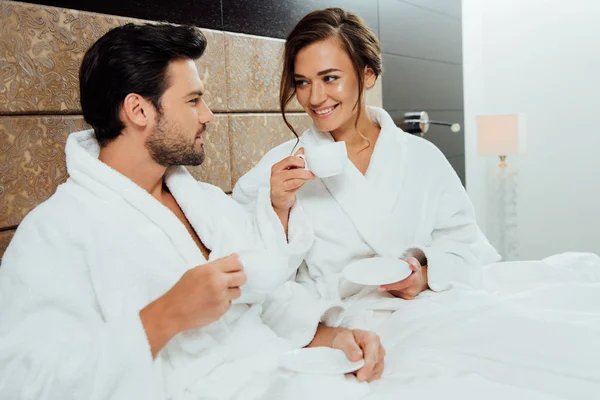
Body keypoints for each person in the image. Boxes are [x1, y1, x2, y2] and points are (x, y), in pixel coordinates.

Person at [0, 23, 385, 400]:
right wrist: (165, 316)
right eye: (193, 100)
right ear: (138, 110)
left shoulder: (204, 202)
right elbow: (25, 383)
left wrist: (334, 339)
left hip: (278, 374)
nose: (208, 115)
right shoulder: (55, 232)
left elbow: (263, 299)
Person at [233, 9, 600, 399]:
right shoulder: (277, 172)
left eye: (330, 78)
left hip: (437, 300)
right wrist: (278, 207)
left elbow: (465, 246)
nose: (315, 97)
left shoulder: (420, 156)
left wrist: (424, 274)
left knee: (556, 342)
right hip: (360, 323)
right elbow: (253, 281)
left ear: (368, 75)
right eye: (302, 82)